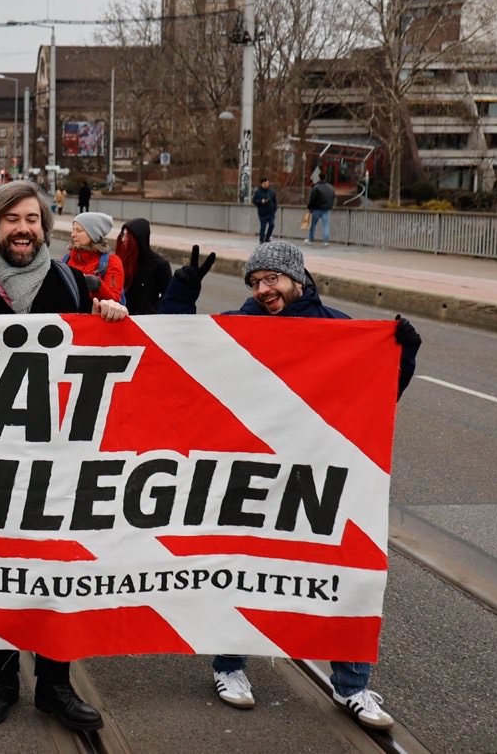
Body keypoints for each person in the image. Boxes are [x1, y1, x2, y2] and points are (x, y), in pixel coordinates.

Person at [158, 239, 421, 732]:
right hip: (253, 472)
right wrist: (180, 293)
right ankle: (229, 667)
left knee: (345, 571)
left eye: (272, 279)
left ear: (296, 278)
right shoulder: (241, 326)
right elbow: (176, 352)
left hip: (320, 472)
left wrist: (403, 353)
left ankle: (353, 685)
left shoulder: (339, 329)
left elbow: (379, 394)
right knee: (241, 563)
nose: (263, 290)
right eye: (255, 283)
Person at [0, 181, 126, 733]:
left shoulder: (73, 284)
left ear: (45, 227)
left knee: (56, 567)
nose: (23, 229)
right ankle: (3, 679)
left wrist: (110, 312)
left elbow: (119, 348)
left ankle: (56, 686)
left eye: (33, 220)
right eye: (12, 220)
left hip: (60, 459)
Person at [114, 218, 172, 315]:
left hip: (146, 321)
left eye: (126, 235)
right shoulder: (123, 260)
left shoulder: (160, 265)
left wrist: (152, 313)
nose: (123, 239)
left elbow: (168, 295)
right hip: (123, 317)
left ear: (137, 239)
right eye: (122, 234)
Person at [63, 211, 123, 301]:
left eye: (79, 230)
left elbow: (114, 300)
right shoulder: (67, 259)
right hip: (67, 315)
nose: (73, 234)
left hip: (95, 315)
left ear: (93, 234)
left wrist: (97, 285)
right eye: (73, 230)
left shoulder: (111, 262)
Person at [306, 176, 335, 246]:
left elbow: (312, 199)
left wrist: (309, 207)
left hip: (316, 208)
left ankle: (311, 239)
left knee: (313, 225)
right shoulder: (330, 187)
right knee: (326, 225)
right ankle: (325, 240)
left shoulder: (316, 187)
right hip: (326, 209)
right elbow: (333, 196)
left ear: (319, 179)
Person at [251, 177, 278, 244]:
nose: (266, 185)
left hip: (271, 212)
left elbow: (275, 201)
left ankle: (267, 237)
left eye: (267, 183)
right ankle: (261, 239)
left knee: (272, 225)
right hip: (262, 213)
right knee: (263, 226)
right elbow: (254, 201)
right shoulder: (258, 192)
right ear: (262, 184)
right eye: (265, 183)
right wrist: (261, 201)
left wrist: (274, 208)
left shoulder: (272, 192)